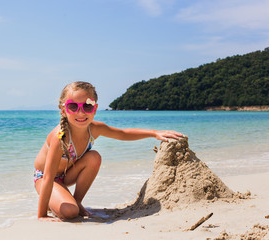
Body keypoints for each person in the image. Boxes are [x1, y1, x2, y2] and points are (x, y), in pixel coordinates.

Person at [34, 81, 182, 222]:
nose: (80, 112)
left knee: (94, 157)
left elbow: (123, 133)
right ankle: (57, 202)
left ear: (95, 108)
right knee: (70, 213)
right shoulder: (60, 136)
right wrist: (42, 215)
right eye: (73, 106)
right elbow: (48, 177)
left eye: (87, 106)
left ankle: (77, 201)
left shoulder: (95, 129)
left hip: (67, 174)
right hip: (46, 178)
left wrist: (154, 133)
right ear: (63, 110)